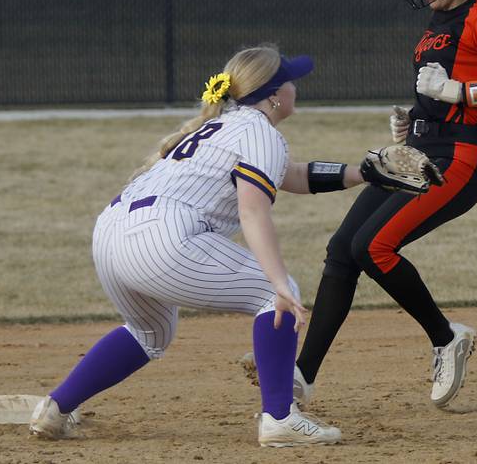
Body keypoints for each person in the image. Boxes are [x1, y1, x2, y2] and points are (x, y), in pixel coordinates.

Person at [29, 45, 378, 447]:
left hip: (110, 234)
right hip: (162, 238)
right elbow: (252, 211)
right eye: (291, 80)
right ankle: (280, 417)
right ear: (274, 95)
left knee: (150, 332)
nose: (296, 88)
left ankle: (55, 409)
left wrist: (360, 173)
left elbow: (290, 175)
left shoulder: (225, 125)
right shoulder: (260, 132)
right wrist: (279, 281)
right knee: (274, 295)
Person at [291, 0, 477, 409]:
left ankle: (446, 336)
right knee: (343, 249)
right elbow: (441, 88)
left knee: (374, 247)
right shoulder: (436, 23)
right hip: (423, 153)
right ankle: (301, 377)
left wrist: (460, 94)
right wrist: (415, 120)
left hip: (458, 159)